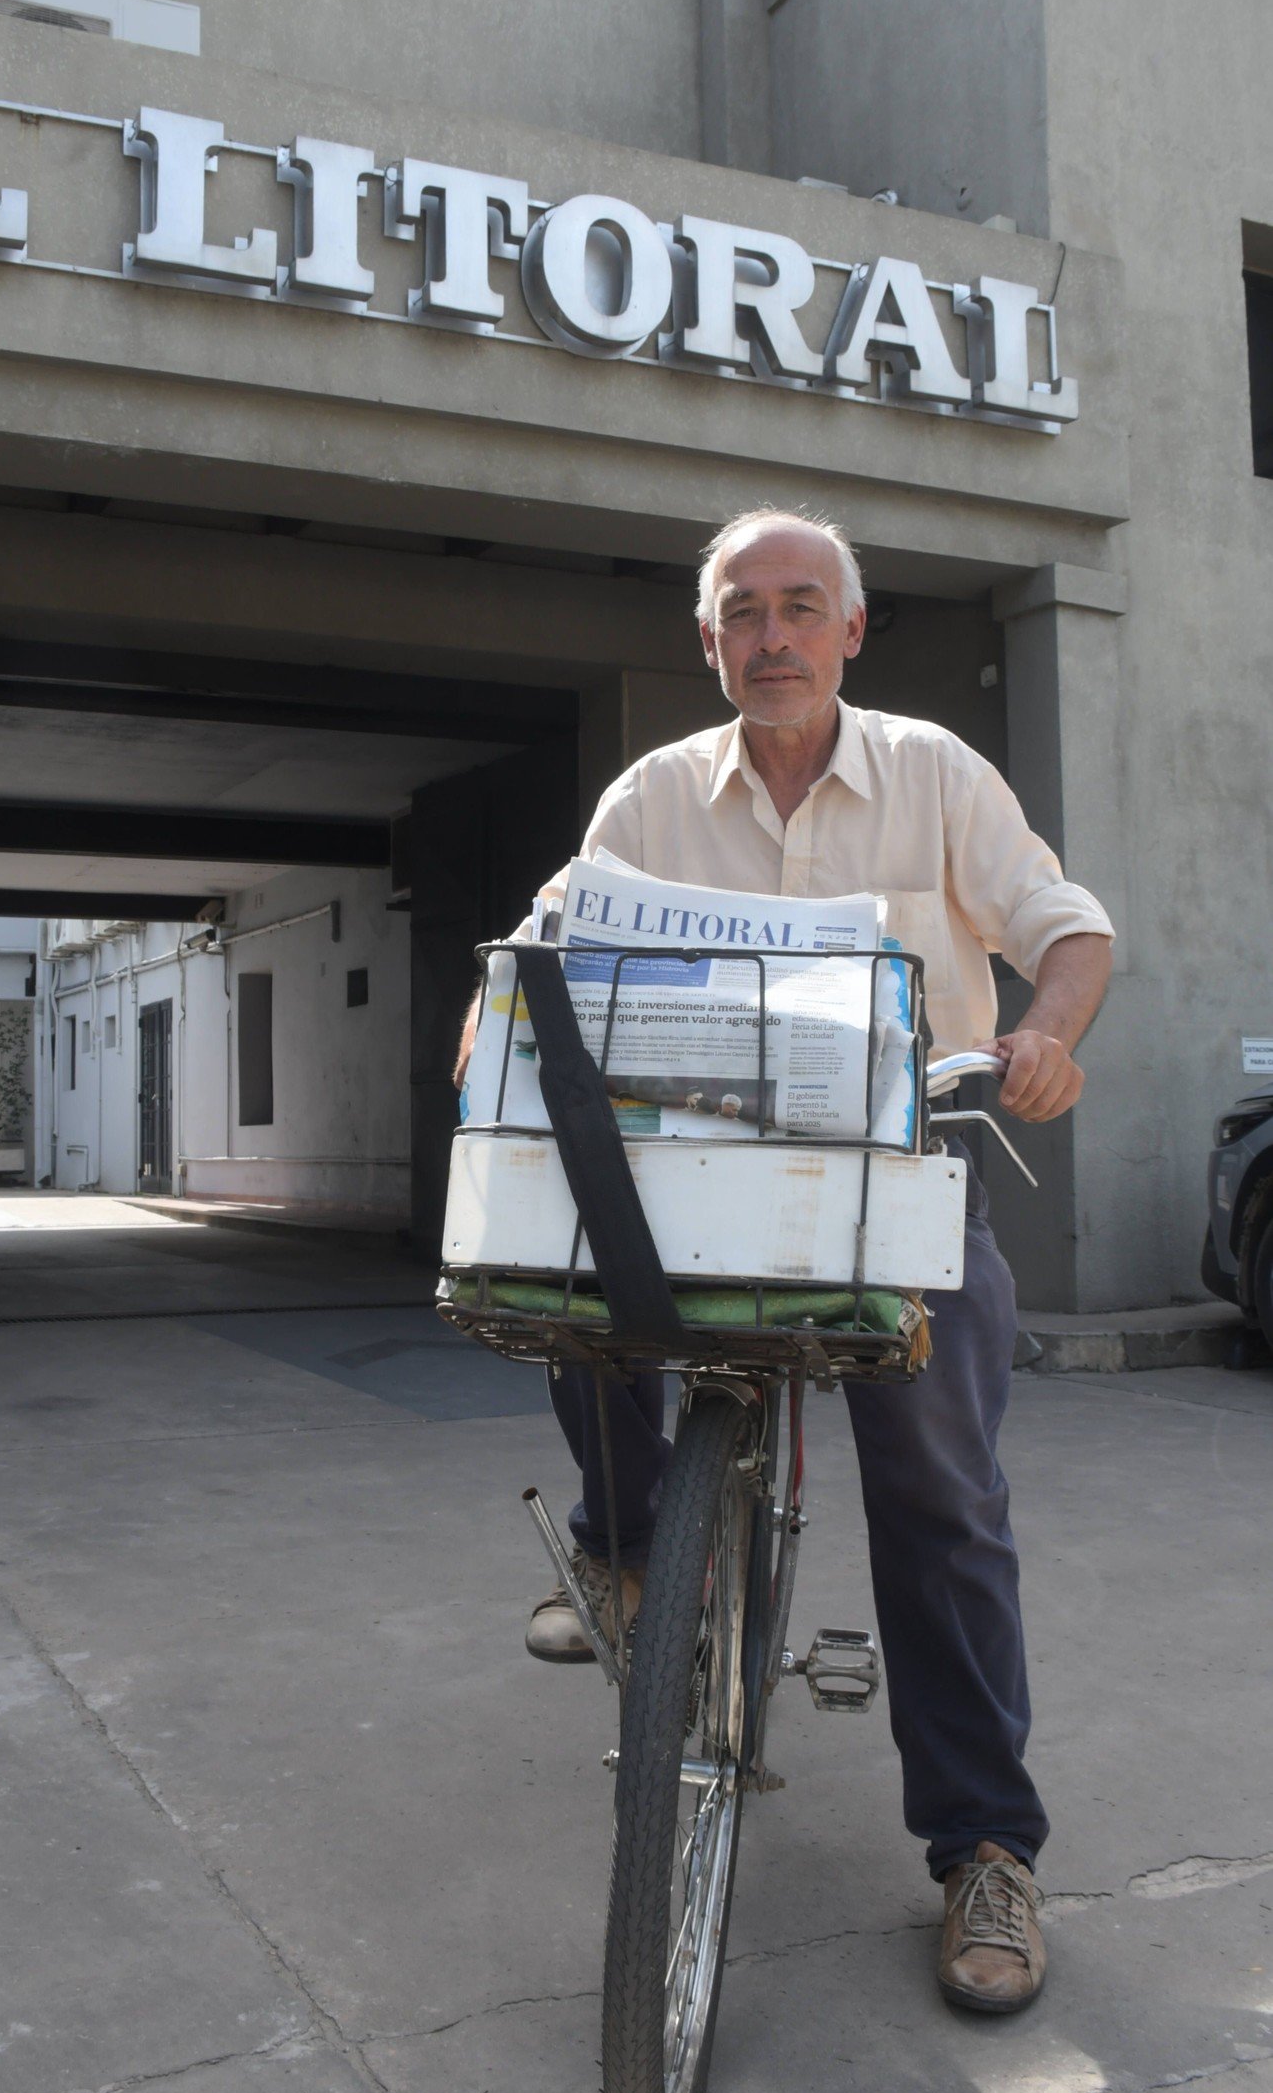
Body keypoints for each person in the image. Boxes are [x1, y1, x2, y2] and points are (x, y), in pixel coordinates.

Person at [455, 506, 1113, 2016]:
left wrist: (1044, 1037)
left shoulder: (937, 774)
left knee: (942, 1493)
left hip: (898, 1175)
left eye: (801, 606)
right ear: (708, 641)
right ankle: (632, 1551)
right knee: (560, 1280)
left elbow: (1067, 933)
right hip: (700, 1174)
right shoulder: (649, 796)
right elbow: (540, 949)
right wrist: (481, 1038)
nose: (771, 637)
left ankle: (984, 1850)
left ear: (849, 630)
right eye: (741, 612)